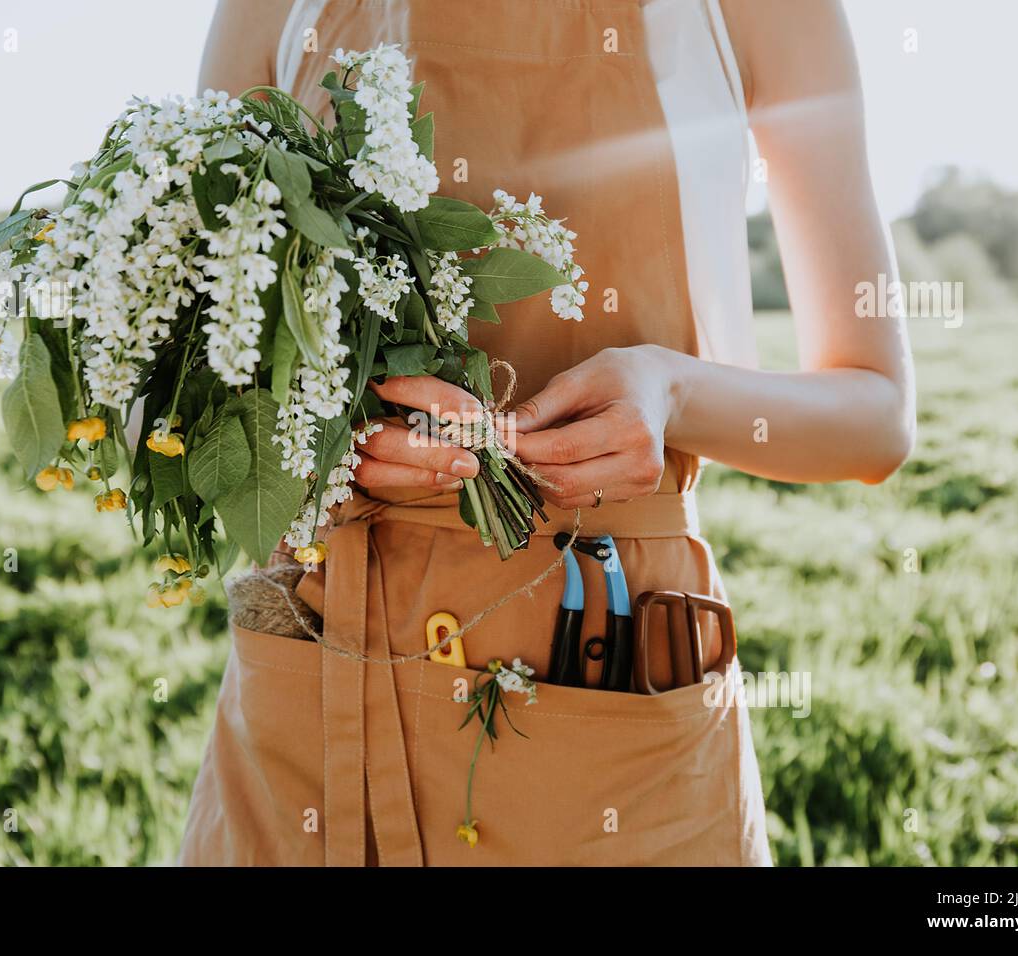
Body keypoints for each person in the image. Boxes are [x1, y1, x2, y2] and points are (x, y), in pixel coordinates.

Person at [180, 0, 914, 866]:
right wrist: (322, 439)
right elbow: (193, 369)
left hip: (610, 672)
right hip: (318, 676)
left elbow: (875, 414)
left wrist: (671, 391)